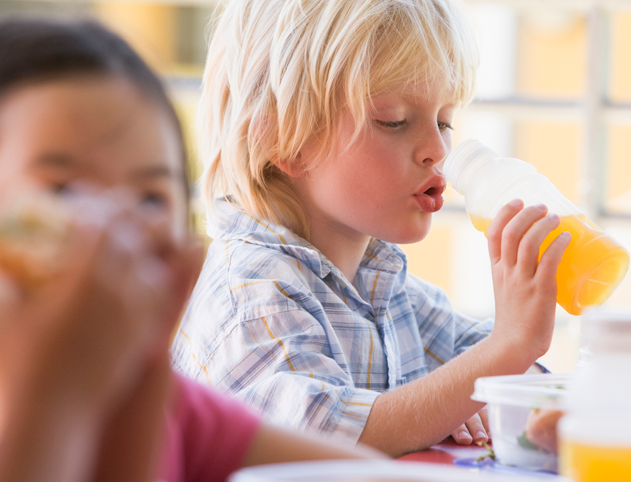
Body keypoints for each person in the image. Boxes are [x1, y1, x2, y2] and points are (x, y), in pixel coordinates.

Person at [171, 0, 571, 457]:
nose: (438, 151)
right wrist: (508, 348)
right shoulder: (252, 292)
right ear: (285, 141)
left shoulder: (380, 285)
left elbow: (476, 362)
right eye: (394, 121)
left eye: (445, 121)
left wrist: (537, 386)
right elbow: (321, 443)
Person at [0, 18, 381, 482]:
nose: (118, 232)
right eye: (63, 192)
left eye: (150, 198)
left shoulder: (181, 415)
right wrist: (57, 399)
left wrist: (144, 378)